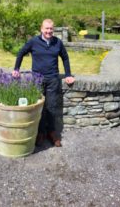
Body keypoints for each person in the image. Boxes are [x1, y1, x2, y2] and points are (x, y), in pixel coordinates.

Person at [12, 19, 75, 147]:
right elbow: (21, 52)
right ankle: (40, 133)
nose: (49, 31)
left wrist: (68, 74)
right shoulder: (34, 41)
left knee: (51, 106)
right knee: (38, 106)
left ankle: (51, 133)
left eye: (51, 29)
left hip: (53, 79)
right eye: (46, 28)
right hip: (37, 79)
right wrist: (16, 69)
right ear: (41, 29)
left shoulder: (58, 42)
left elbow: (65, 57)